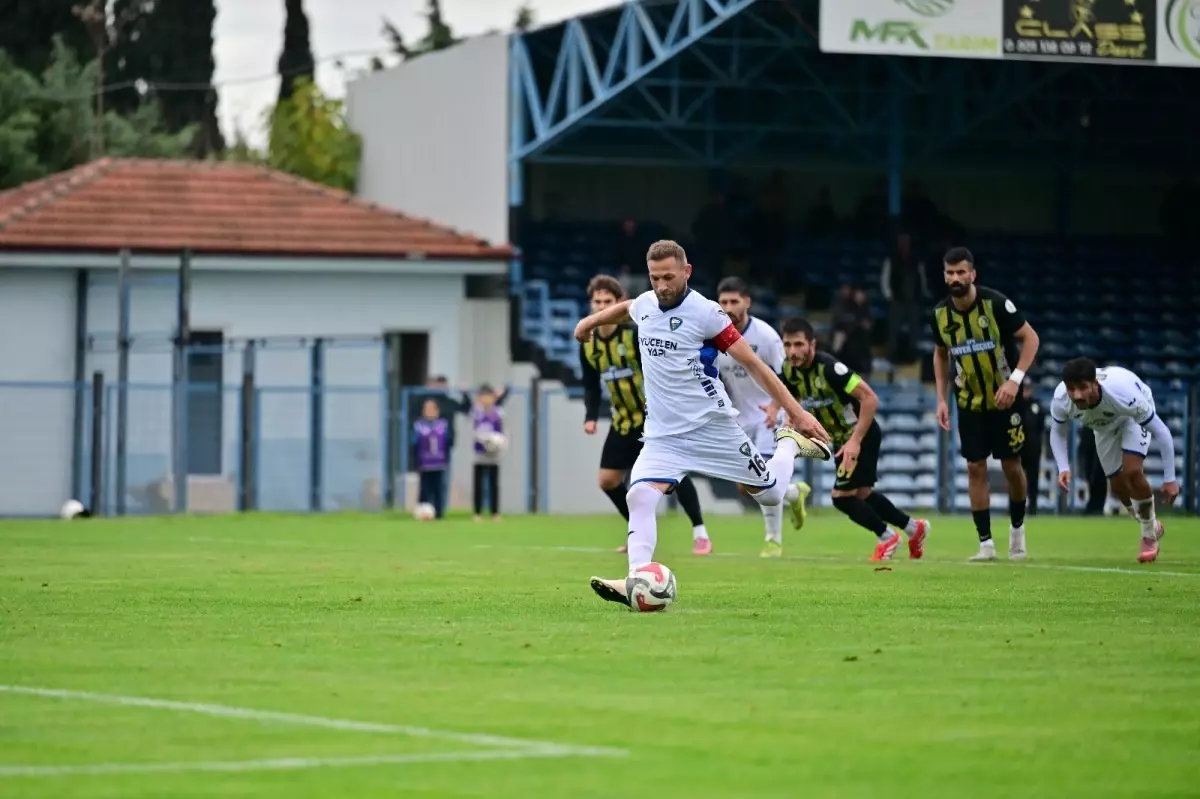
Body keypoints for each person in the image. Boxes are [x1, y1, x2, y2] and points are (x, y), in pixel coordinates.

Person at [573, 240, 832, 609]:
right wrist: (590, 322)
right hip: (663, 434)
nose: (662, 285)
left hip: (714, 428)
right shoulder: (646, 303)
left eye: (669, 277)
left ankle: (788, 443)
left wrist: (799, 413)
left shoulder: (708, 313)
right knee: (639, 496)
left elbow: (757, 366)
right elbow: (629, 308)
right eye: (655, 277)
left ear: (686, 272)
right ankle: (636, 579)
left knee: (772, 494)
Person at [768, 318, 930, 561]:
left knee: (841, 498)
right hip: (842, 440)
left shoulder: (831, 368)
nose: (792, 351)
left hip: (859, 435)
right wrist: (785, 417)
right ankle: (913, 529)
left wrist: (855, 441)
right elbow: (792, 395)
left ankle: (887, 537)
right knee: (862, 494)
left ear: (812, 344)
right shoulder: (789, 370)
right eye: (787, 344)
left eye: (798, 344)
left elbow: (870, 398)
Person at [580, 275, 711, 554]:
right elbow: (591, 384)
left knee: (673, 475)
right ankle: (637, 533)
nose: (602, 307)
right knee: (608, 480)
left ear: (618, 304)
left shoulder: (635, 334)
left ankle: (700, 533)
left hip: (654, 419)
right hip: (624, 421)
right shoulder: (589, 344)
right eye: (597, 302)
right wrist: (590, 416)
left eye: (608, 302)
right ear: (591, 305)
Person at [931, 247, 1040, 562]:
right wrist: (941, 398)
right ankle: (986, 545)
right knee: (974, 467)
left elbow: (1031, 338)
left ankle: (1017, 532)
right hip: (969, 402)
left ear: (972, 274)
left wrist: (1014, 380)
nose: (955, 278)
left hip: (1005, 400)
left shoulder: (995, 304)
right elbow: (940, 353)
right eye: (950, 273)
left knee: (1011, 466)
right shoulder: (940, 315)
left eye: (961, 272)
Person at [714, 276, 812, 558]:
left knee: (763, 478)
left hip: (770, 417)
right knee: (746, 485)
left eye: (734, 301)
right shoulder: (715, 335)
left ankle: (773, 541)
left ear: (747, 302)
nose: (729, 307)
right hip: (739, 419)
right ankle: (794, 493)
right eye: (724, 302)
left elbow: (788, 376)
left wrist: (775, 407)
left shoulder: (766, 336)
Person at [1049, 358, 1176, 563]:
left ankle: (1148, 537)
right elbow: (1057, 432)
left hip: (1130, 418)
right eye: (1072, 389)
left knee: (1132, 471)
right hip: (1103, 428)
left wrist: (1170, 478)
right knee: (1118, 486)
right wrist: (1063, 466)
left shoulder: (1124, 394)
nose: (1077, 395)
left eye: (1082, 388)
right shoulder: (1061, 398)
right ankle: (1152, 526)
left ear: (1095, 384)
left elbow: (1161, 431)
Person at [470, 384, 508, 522]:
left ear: (494, 398)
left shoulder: (498, 412)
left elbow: (502, 432)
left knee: (494, 484)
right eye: (483, 397)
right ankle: (477, 512)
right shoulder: (476, 412)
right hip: (479, 454)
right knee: (478, 485)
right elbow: (475, 430)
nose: (486, 400)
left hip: (494, 455)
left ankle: (495, 513)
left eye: (489, 397)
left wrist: (500, 443)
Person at [412, 398, 450, 519]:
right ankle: (423, 512)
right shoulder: (418, 426)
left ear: (437, 411)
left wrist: (446, 460)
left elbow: (448, 443)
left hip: (439, 463)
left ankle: (439, 514)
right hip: (424, 464)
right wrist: (415, 462)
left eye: (432, 409)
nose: (429, 411)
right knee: (424, 489)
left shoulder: (443, 425)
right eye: (427, 409)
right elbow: (414, 444)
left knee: (438, 489)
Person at [1020, 378, 1046, 516]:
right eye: (1024, 388)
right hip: (1017, 448)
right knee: (1016, 478)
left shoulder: (1037, 406)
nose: (1026, 391)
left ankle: (1033, 508)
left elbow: (1041, 427)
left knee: (1033, 478)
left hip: (1033, 448)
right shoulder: (1015, 405)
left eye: (1028, 388)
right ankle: (1014, 506)